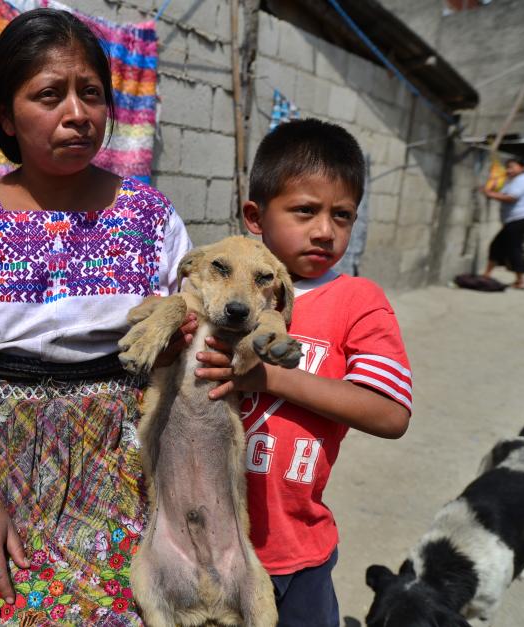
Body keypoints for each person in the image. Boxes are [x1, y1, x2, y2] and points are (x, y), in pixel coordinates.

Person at [0, 9, 192, 626]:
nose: (77, 113)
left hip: (119, 456)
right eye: (49, 95)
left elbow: (176, 352)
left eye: (91, 93)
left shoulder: (154, 220)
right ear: (6, 115)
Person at [193, 119, 412, 627]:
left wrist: (269, 380)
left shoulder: (358, 302)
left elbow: (390, 414)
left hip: (296, 548)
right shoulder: (221, 283)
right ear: (255, 215)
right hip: (203, 541)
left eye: (342, 215)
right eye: (305, 211)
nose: (325, 231)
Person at [480, 157, 524, 289]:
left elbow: (511, 197)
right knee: (498, 246)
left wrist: (489, 194)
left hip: (520, 219)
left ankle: (520, 281)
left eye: (512, 166)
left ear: (522, 168)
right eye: (508, 167)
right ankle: (487, 275)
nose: (508, 170)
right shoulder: (513, 181)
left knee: (513, 249)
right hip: (515, 220)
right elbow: (504, 193)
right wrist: (493, 190)